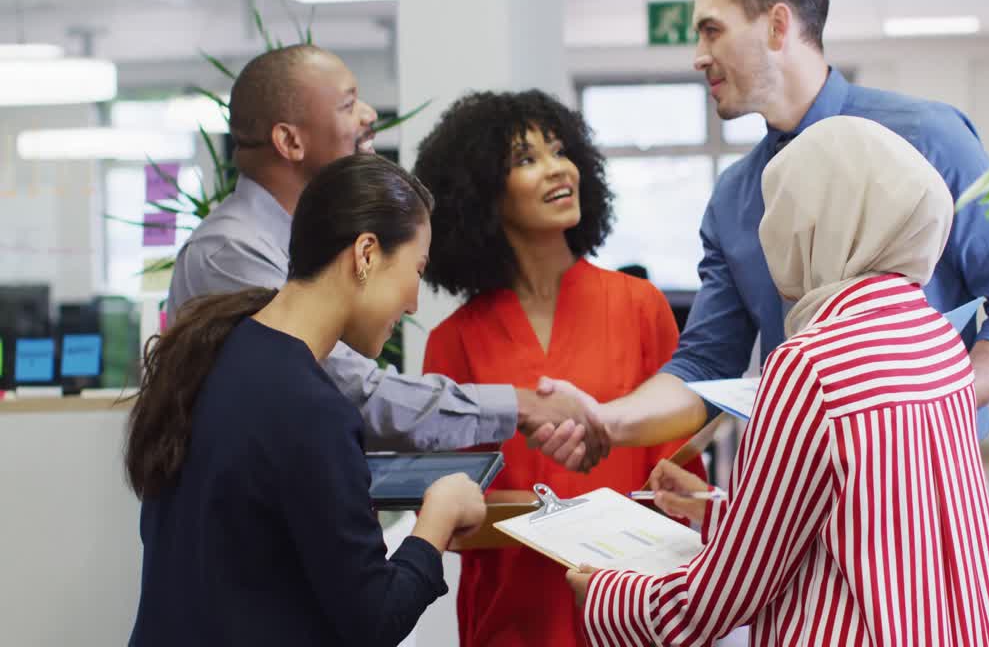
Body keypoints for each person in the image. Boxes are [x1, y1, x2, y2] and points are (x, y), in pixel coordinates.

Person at [538, 0, 989, 450]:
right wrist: (606, 420)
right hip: (794, 480)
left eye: (712, 31)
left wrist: (931, 404)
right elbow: (706, 364)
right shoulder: (734, 198)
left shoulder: (930, 138)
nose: (698, 56)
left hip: (922, 472)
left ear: (777, 26)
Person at [567, 116, 989, 646]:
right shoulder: (935, 337)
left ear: (817, 221)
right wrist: (719, 509)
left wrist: (606, 594)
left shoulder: (811, 363)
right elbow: (880, 517)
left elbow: (721, 598)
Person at [166, 44, 606, 470]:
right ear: (289, 140)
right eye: (348, 104)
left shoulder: (303, 242)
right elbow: (350, 392)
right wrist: (520, 405)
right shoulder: (231, 251)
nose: (370, 115)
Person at [127, 155, 489, 646]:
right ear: (366, 254)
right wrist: (438, 517)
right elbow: (375, 619)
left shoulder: (213, 351)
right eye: (416, 271)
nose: (413, 303)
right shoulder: (311, 409)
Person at [413, 90, 709, 646]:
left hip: (630, 613)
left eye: (559, 150)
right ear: (482, 191)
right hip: (512, 621)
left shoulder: (640, 306)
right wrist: (558, 519)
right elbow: (449, 514)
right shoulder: (454, 341)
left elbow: (677, 480)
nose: (557, 169)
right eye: (526, 159)